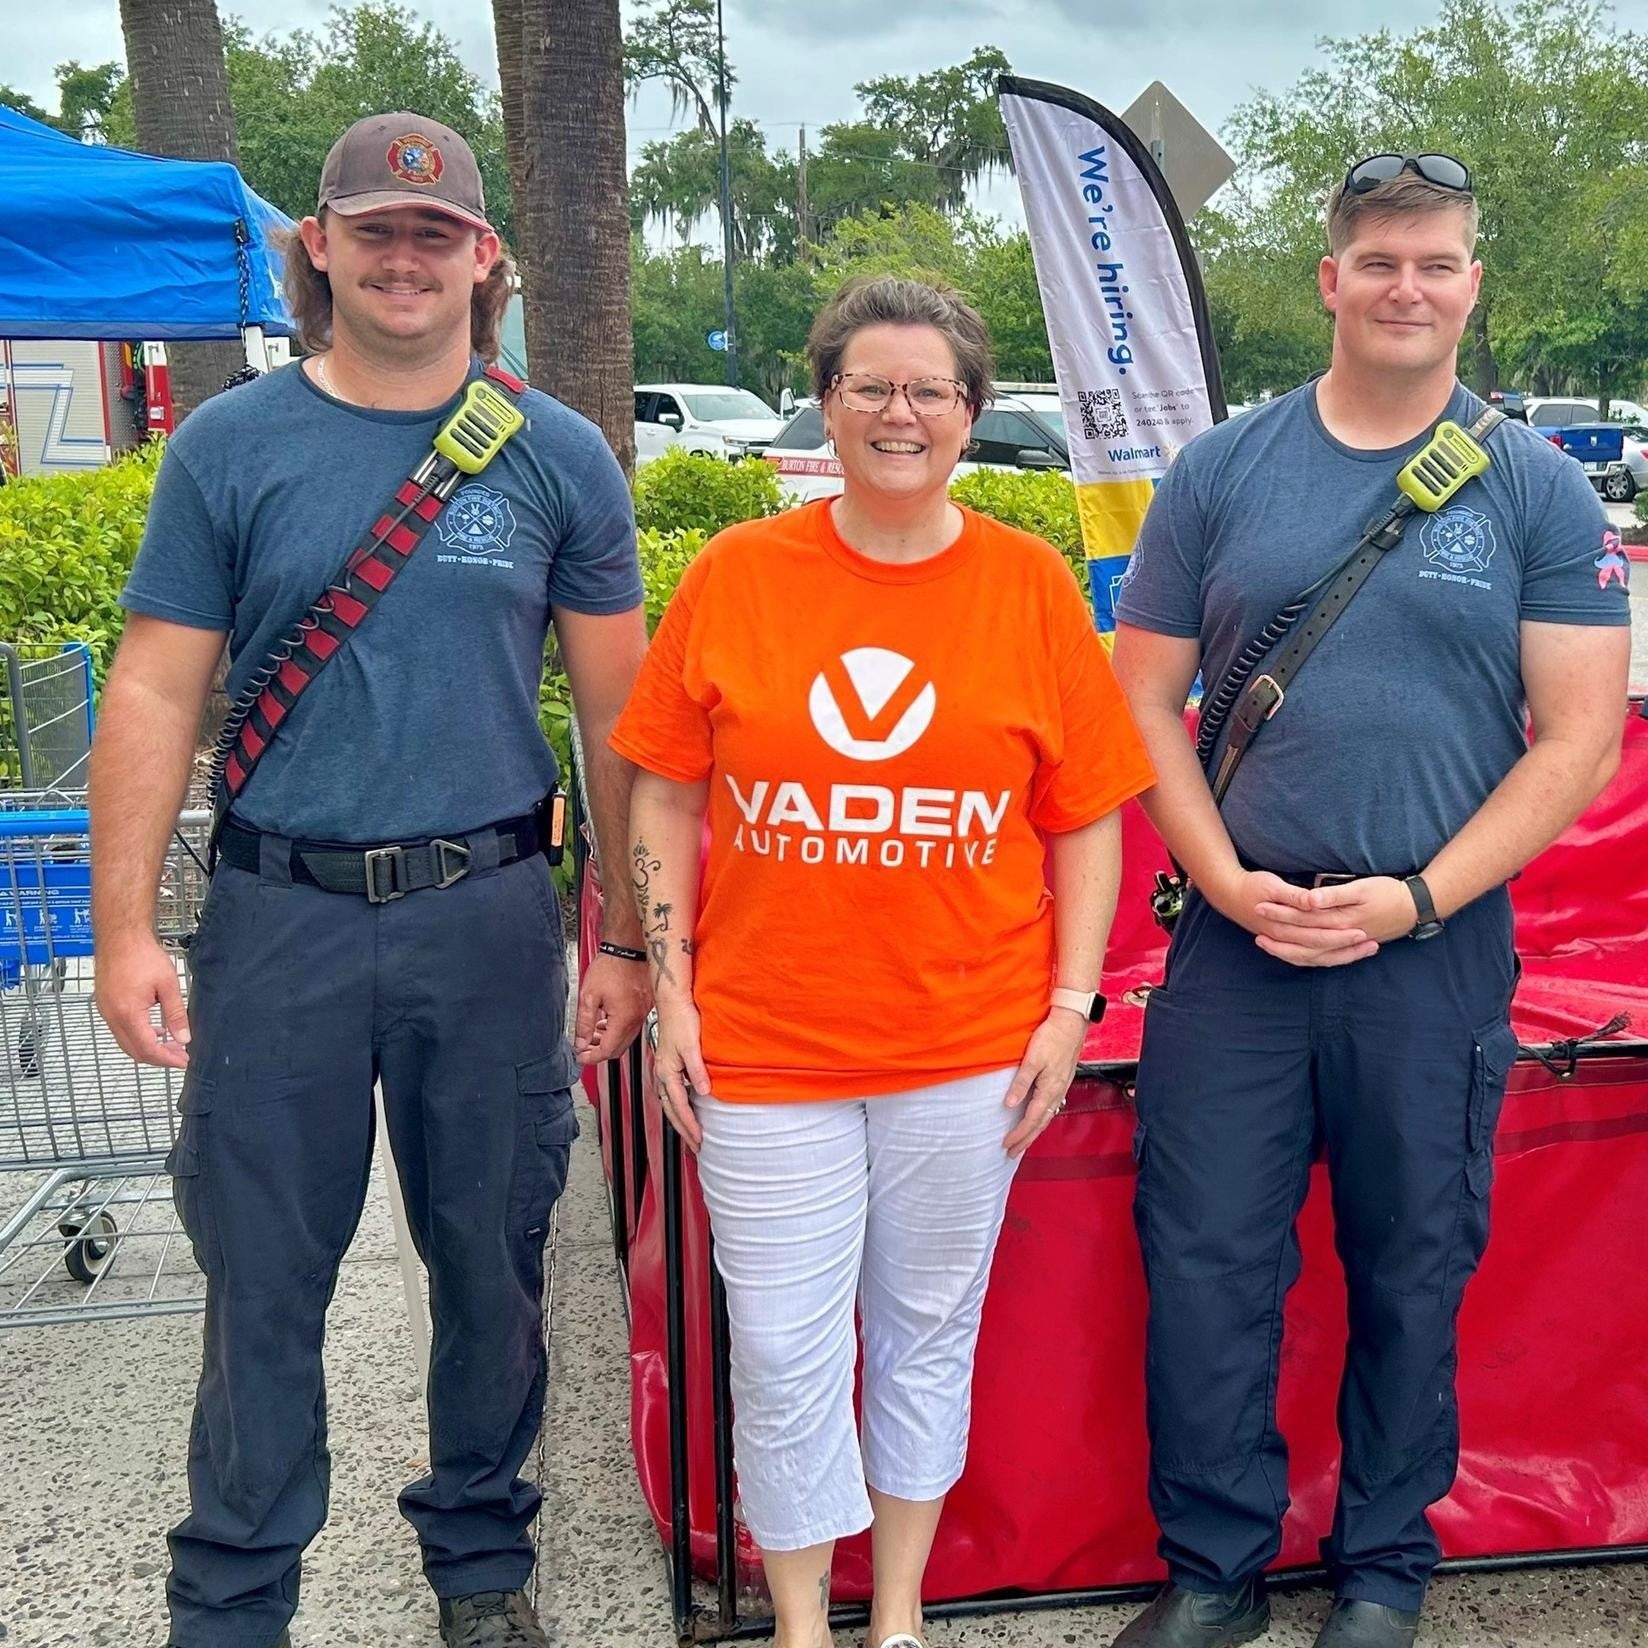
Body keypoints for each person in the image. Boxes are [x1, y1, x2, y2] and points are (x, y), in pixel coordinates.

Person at [89, 111, 650, 1648]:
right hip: (280, 926)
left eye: (436, 235)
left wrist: (634, 939)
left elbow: (625, 722)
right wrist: (125, 924)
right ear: (319, 250)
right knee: (263, 1277)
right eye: (373, 232)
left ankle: (481, 1566)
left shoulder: (557, 457)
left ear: (485, 260)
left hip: (489, 924)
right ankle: (236, 1595)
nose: (405, 260)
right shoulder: (230, 447)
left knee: (493, 1259)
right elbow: (151, 690)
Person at [1109, 153, 1632, 1648]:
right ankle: (1214, 1569)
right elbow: (1139, 698)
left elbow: (1580, 737)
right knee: (1207, 1264)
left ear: (1475, 285)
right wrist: (1220, 878)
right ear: (1330, 281)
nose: (1411, 286)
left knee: (1412, 1265)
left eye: (1440, 263)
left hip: (1433, 953)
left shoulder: (1534, 486)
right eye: (1382, 261)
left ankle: (1384, 1570)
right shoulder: (1224, 470)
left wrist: (1415, 899)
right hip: (1239, 946)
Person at [610, 275, 1156, 1648]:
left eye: (929, 390)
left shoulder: (1027, 587)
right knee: (785, 1352)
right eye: (870, 388)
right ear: (828, 404)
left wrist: (1068, 1007)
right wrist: (669, 988)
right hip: (764, 1048)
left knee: (926, 1335)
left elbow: (1087, 818)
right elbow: (665, 793)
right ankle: (802, 1624)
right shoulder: (740, 573)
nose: (899, 414)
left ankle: (898, 1615)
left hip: (966, 1053)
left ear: (970, 414)